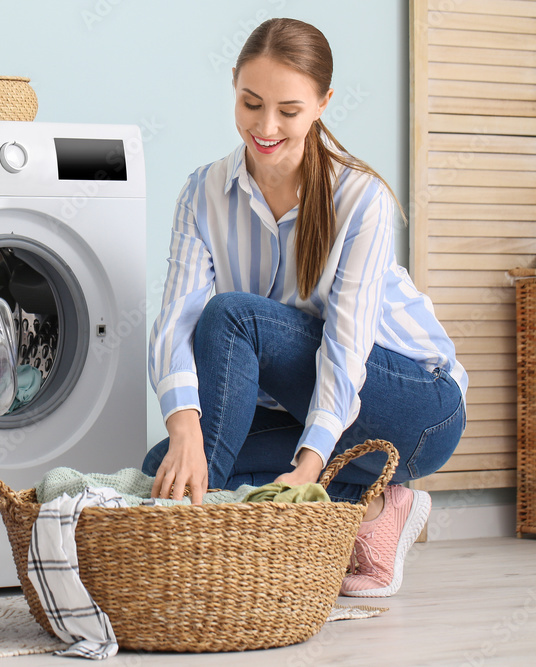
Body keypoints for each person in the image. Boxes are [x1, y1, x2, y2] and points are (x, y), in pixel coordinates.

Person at [144, 18, 466, 598]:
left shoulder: (359, 197)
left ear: (322, 104)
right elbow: (175, 321)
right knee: (162, 464)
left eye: (288, 111)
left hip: (416, 407)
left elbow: (345, 349)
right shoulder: (202, 193)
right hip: (312, 407)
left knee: (234, 317)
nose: (265, 127)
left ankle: (192, 549)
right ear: (235, 89)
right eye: (250, 103)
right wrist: (184, 425)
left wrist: (311, 464)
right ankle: (374, 507)